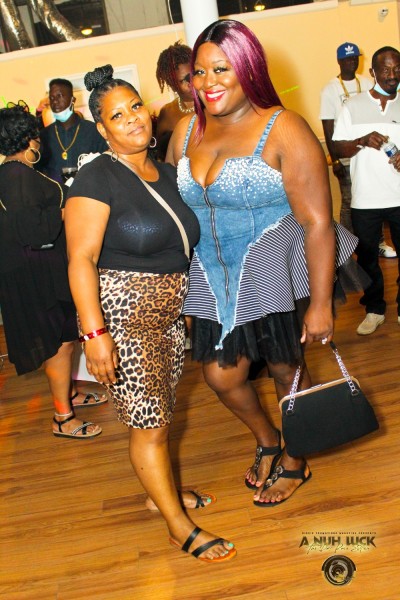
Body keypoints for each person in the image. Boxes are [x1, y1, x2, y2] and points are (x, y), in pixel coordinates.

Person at [167, 19, 358, 506]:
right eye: (199, 72)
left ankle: (295, 457)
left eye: (221, 69)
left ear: (248, 68)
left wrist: (321, 305)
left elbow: (317, 222)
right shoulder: (185, 131)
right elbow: (172, 211)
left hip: (271, 268)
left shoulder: (284, 128)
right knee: (222, 376)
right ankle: (268, 438)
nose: (208, 82)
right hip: (213, 279)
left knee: (285, 369)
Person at [64, 64, 236, 563]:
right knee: (150, 425)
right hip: (122, 320)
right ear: (102, 130)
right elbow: (80, 259)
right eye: (117, 115)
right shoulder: (96, 176)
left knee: (161, 414)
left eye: (135, 106)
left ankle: (159, 494)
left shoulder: (164, 171)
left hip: (168, 319)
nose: (132, 119)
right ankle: (178, 527)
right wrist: (95, 334)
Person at [0, 101, 102, 439]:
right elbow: (36, 231)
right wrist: (68, 208)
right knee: (59, 345)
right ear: (29, 139)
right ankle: (62, 416)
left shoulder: (12, 173)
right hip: (38, 277)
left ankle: (69, 394)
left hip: (35, 272)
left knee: (65, 339)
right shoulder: (17, 177)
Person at [333, 46, 400, 335]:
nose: (392, 75)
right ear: (372, 72)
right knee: (368, 259)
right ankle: (374, 309)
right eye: (385, 70)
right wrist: (361, 140)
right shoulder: (352, 105)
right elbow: (338, 148)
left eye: (397, 69)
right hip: (365, 200)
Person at [320, 42, 396, 258]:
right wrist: (338, 157)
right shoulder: (336, 93)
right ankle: (346, 248)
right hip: (354, 167)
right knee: (349, 202)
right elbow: (330, 131)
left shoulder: (368, 83)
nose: (351, 62)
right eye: (347, 59)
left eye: (355, 58)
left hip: (389, 177)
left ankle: (379, 244)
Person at [37, 78, 107, 183]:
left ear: (72, 100)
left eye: (60, 96)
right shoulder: (44, 136)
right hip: (56, 192)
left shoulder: (93, 131)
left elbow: (105, 165)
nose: (55, 101)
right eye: (51, 98)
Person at [155, 41, 194, 161]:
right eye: (183, 80)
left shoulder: (212, 106)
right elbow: (159, 154)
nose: (191, 83)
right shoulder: (166, 112)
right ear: (171, 84)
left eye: (193, 75)